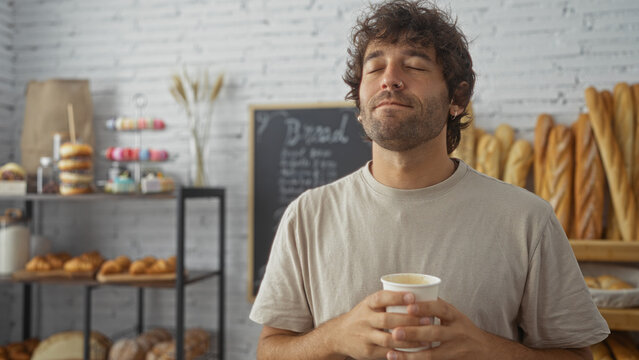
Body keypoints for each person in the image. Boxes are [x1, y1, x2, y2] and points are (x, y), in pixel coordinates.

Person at [249, 1, 609, 359]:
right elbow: (269, 351)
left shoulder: (527, 220)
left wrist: (484, 349)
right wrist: (334, 337)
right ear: (359, 104)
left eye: (414, 65)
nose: (389, 78)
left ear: (457, 98)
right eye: (374, 67)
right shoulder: (308, 216)